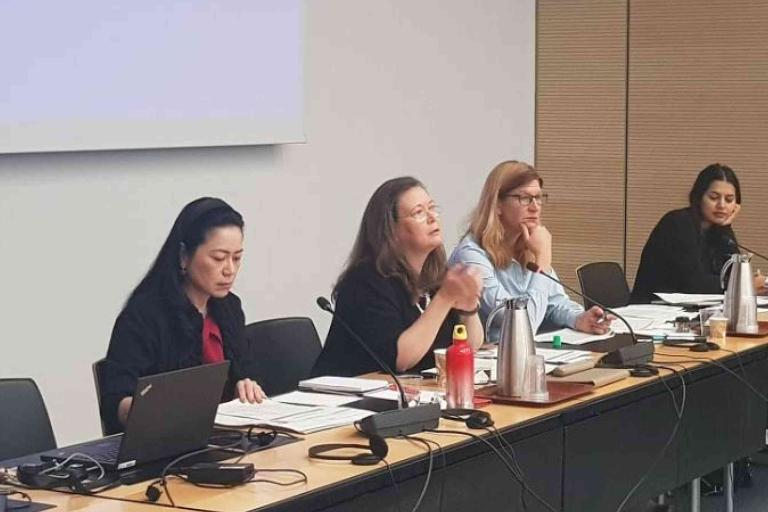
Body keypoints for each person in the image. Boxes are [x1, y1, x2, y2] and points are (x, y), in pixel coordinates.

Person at [100, 197, 265, 434]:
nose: (229, 269)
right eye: (219, 258)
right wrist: (145, 409)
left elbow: (246, 370)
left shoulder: (229, 308)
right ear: (184, 256)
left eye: (237, 258)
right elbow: (115, 399)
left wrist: (247, 384)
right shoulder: (143, 316)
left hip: (226, 441)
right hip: (165, 446)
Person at [312, 177, 484, 377]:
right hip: (350, 400)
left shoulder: (435, 276)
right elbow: (400, 359)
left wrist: (469, 306)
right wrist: (445, 298)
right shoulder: (365, 283)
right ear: (391, 230)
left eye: (432, 208)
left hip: (413, 396)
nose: (432, 218)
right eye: (418, 213)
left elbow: (470, 346)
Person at [449, 160, 611, 340]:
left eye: (539, 197)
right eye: (525, 198)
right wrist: (542, 258)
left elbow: (554, 303)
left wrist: (579, 318)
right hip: (490, 362)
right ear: (498, 205)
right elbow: (522, 325)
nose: (535, 207)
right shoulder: (471, 256)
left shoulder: (528, 245)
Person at [631, 163, 767, 303]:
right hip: (653, 313)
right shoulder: (677, 223)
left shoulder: (719, 229)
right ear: (698, 197)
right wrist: (745, 285)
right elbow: (694, 284)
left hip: (692, 313)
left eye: (729, 200)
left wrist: (725, 228)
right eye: (714, 197)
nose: (722, 205)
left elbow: (733, 273)